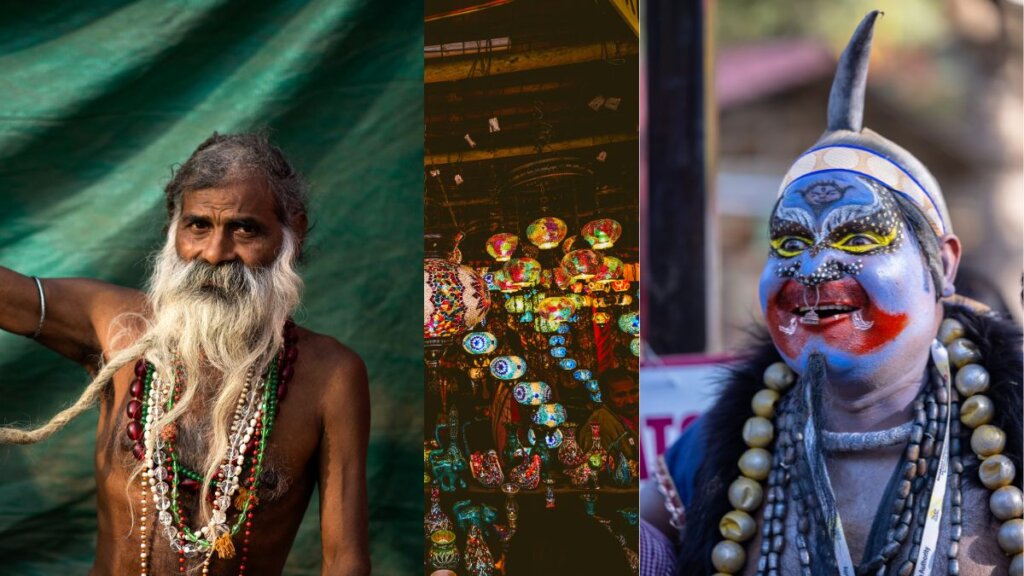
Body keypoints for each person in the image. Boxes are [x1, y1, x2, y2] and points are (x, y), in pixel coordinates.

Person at [646, 12, 1022, 576]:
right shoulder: (715, 449)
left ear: (942, 265)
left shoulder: (1009, 432)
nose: (814, 269)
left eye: (859, 237)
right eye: (789, 241)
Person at [0, 133, 371, 575]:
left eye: (244, 229)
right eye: (199, 225)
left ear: (294, 232)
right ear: (172, 230)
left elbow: (344, 559)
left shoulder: (331, 376)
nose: (215, 254)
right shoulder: (115, 325)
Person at [578, 366, 639, 461]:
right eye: (620, 395)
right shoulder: (599, 425)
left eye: (634, 392)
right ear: (605, 398)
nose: (630, 401)